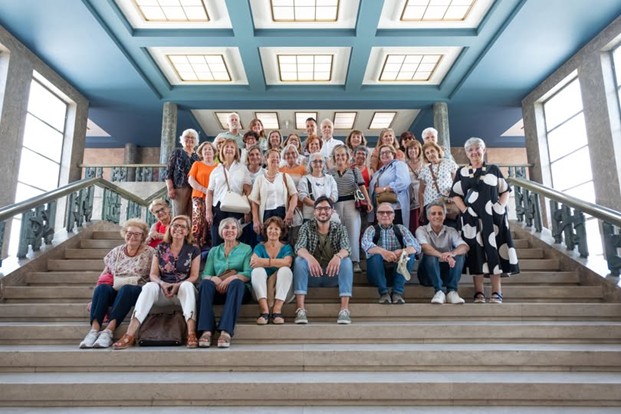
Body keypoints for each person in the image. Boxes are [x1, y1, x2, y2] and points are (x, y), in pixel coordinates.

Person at [112, 215, 200, 350]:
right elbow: (153, 274)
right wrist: (162, 284)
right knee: (149, 286)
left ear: (187, 231)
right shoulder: (161, 247)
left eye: (183, 226)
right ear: (170, 228)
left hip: (182, 291)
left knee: (187, 285)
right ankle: (129, 335)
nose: (178, 229)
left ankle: (191, 334)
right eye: (175, 225)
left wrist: (178, 285)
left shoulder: (193, 249)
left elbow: (194, 276)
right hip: (163, 290)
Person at [451, 137, 520, 304]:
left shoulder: (493, 169)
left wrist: (499, 207)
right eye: (470, 150)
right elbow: (455, 195)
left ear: (484, 150)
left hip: (493, 219)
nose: (474, 152)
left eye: (477, 148)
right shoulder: (462, 172)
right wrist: (465, 210)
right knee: (476, 254)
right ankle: (479, 292)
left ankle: (497, 292)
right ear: (466, 153)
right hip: (472, 220)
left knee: (494, 252)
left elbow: (505, 190)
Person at [79, 219, 155, 348]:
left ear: (143, 237)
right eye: (129, 233)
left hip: (136, 290)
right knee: (102, 288)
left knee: (126, 289)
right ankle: (94, 331)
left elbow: (155, 274)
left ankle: (108, 331)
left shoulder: (150, 252)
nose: (132, 236)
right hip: (116, 287)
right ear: (124, 233)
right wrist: (95, 299)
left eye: (137, 234)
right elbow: (105, 274)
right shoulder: (116, 251)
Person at [293, 196, 354, 325]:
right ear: (314, 211)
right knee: (299, 260)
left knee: (346, 261)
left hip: (332, 275)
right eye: (319, 208)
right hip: (312, 275)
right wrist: (310, 258)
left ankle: (344, 310)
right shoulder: (306, 227)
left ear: (332, 211)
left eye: (326, 208)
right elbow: (299, 247)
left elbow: (347, 248)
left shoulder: (340, 228)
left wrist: (337, 257)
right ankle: (300, 310)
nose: (323, 212)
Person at [197, 217, 253, 348]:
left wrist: (231, 279)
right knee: (205, 284)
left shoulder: (246, 249)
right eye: (226, 227)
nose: (230, 230)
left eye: (233, 228)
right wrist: (213, 279)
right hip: (218, 289)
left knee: (237, 283)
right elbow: (205, 274)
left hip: (238, 290)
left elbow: (248, 273)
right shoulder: (214, 251)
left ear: (238, 231)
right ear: (221, 231)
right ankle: (206, 331)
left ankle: (225, 331)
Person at [361, 203, 420, 304]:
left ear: (393, 216)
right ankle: (384, 293)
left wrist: (401, 251)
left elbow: (416, 246)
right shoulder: (371, 230)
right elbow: (365, 244)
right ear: (377, 216)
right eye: (381, 212)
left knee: (409, 254)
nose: (385, 215)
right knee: (376, 255)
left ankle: (397, 293)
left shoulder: (401, 229)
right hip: (376, 273)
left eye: (389, 212)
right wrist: (383, 252)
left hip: (397, 272)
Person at [329, 144, 373, 273]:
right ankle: (338, 261)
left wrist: (368, 201)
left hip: (351, 204)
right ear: (334, 157)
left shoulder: (354, 170)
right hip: (335, 205)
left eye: (343, 155)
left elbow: (362, 186)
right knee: (336, 233)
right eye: (338, 155)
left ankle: (355, 262)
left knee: (353, 233)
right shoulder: (330, 172)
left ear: (347, 156)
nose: (340, 157)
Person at [416, 200, 469, 304]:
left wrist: (452, 253)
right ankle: (439, 291)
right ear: (428, 217)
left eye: (440, 213)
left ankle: (452, 291)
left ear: (444, 216)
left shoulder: (451, 231)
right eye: (433, 214)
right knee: (429, 255)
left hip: (446, 273)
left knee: (460, 255)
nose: (437, 216)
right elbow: (424, 247)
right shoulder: (421, 230)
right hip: (427, 274)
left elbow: (465, 246)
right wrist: (442, 255)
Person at [206, 138, 252, 246]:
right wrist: (208, 211)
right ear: (222, 150)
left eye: (232, 147)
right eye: (227, 147)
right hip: (218, 207)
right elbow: (210, 192)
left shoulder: (242, 168)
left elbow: (248, 190)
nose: (229, 149)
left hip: (237, 207)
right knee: (217, 239)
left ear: (236, 151)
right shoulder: (216, 170)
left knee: (235, 238)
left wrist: (247, 211)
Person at [250, 217, 294, 325]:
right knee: (257, 271)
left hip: (283, 292)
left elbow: (287, 262)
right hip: (261, 291)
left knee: (285, 270)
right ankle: (264, 311)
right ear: (265, 231)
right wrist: (278, 262)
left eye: (276, 229)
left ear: (281, 232)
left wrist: (264, 261)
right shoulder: (260, 247)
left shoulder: (286, 248)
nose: (273, 231)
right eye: (270, 228)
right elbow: (253, 262)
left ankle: (277, 311)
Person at [249, 148, 299, 234]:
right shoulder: (259, 179)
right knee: (264, 238)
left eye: (277, 157)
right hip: (265, 214)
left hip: (282, 213)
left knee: (282, 238)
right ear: (266, 160)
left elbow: (294, 195)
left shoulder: (285, 176)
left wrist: (290, 212)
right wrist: (256, 220)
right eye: (272, 156)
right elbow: (254, 202)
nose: (275, 159)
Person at [369, 144, 412, 229]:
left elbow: (403, 182)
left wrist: (384, 189)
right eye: (382, 153)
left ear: (393, 154)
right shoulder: (379, 171)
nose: (384, 154)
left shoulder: (399, 164)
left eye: (387, 152)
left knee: (397, 232)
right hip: (382, 209)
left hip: (396, 208)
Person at [418, 141, 458, 226]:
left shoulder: (449, 163)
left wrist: (452, 195)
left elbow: (456, 183)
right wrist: (421, 209)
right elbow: (421, 191)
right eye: (427, 153)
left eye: (432, 151)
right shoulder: (424, 169)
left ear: (438, 151)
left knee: (450, 227)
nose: (430, 154)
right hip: (429, 204)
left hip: (447, 203)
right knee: (431, 230)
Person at [188, 141, 217, 248]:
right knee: (198, 223)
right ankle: (194, 248)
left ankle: (208, 249)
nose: (207, 151)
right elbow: (191, 180)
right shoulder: (197, 164)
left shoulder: (219, 166)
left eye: (209, 149)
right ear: (201, 152)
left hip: (214, 199)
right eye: (205, 149)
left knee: (211, 223)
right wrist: (204, 190)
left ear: (214, 152)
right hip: (199, 197)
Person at [165, 128, 200, 217]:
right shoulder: (177, 152)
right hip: (180, 188)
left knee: (192, 215)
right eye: (187, 137)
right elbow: (168, 172)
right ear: (182, 139)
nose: (190, 139)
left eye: (192, 137)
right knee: (179, 214)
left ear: (196, 141)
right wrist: (170, 188)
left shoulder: (197, 156)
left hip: (194, 189)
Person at [298, 152, 338, 222]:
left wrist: (324, 207)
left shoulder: (330, 178)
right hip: (310, 216)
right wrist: (319, 206)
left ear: (324, 163)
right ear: (310, 163)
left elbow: (335, 195)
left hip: (328, 216)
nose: (318, 164)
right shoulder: (305, 179)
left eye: (320, 161)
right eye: (315, 161)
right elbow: (302, 196)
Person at [404, 139, 424, 234]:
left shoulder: (425, 163)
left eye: (415, 148)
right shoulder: (403, 164)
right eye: (410, 148)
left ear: (419, 150)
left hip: (424, 195)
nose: (413, 150)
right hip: (410, 197)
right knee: (413, 224)